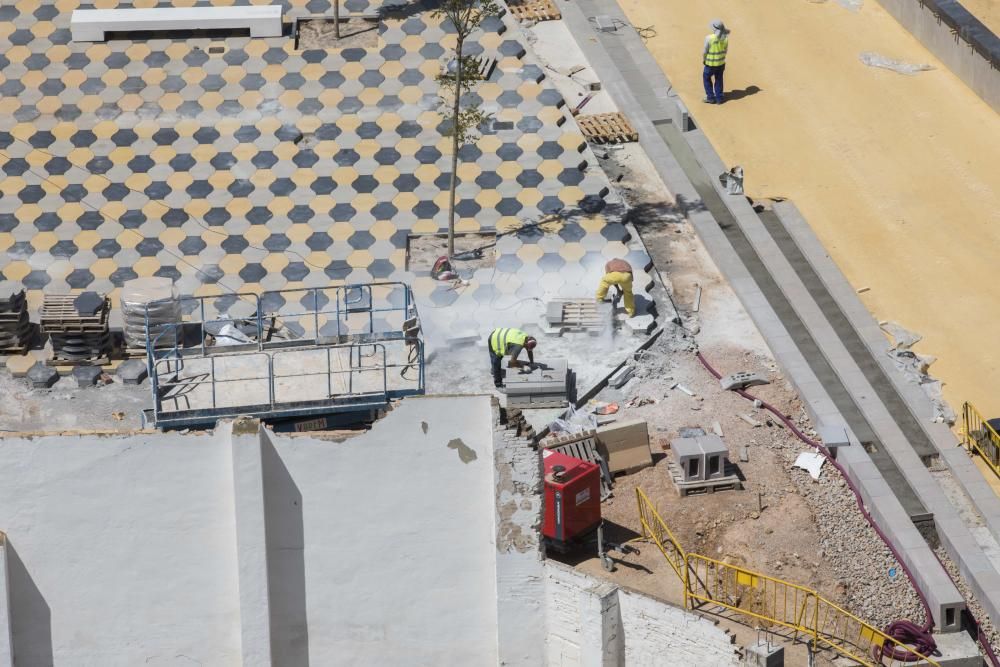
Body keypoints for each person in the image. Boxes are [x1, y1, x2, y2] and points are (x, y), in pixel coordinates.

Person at [703, 19, 730, 105]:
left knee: (706, 78)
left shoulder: (709, 38)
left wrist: (704, 59)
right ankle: (719, 98)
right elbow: (725, 51)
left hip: (710, 64)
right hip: (721, 64)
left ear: (714, 29)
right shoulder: (725, 38)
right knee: (719, 79)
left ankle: (710, 97)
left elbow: (705, 51)